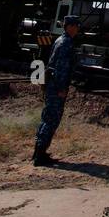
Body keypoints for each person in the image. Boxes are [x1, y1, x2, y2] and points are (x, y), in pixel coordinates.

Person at [33, 16, 80, 166]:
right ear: (70, 26)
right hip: (56, 87)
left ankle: (38, 153)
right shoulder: (66, 43)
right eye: (76, 26)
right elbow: (61, 69)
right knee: (51, 119)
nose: (78, 29)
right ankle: (39, 157)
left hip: (51, 85)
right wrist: (61, 88)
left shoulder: (60, 40)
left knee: (47, 118)